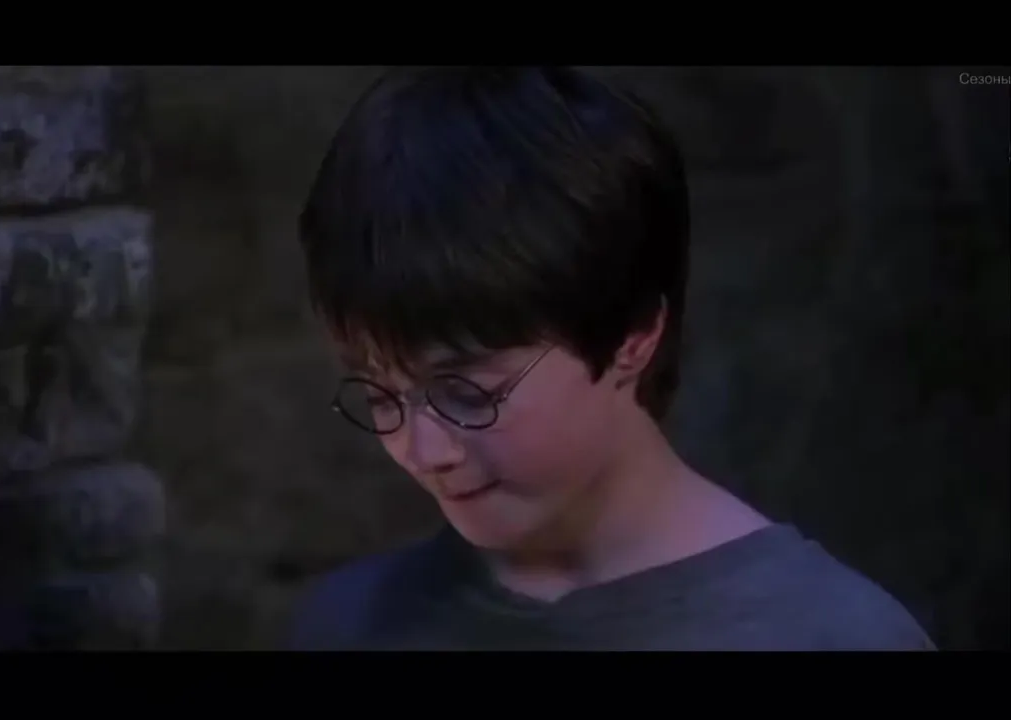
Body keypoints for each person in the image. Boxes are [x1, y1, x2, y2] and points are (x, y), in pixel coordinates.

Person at [286, 66, 934, 651]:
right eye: (382, 395)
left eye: (466, 392)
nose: (424, 452)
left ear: (633, 334)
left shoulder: (829, 636)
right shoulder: (347, 624)